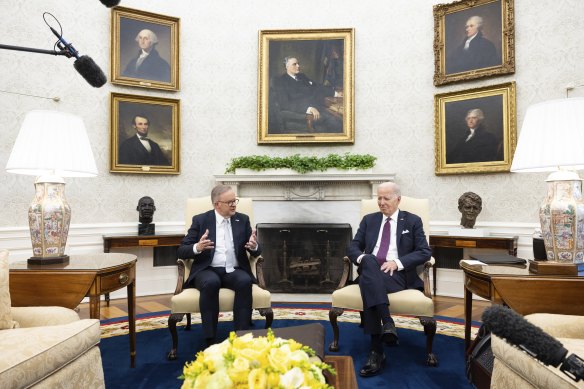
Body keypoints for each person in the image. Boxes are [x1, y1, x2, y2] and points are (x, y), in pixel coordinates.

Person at [347, 182, 432, 377]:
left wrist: (398, 262)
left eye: (386, 198)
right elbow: (353, 247)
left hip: (398, 275)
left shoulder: (412, 221)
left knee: (369, 284)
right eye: (379, 198)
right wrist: (363, 258)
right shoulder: (369, 220)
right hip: (371, 270)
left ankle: (376, 351)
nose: (381, 203)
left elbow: (424, 251)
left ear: (398, 199)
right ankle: (387, 324)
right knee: (368, 262)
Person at [177, 185, 260, 345]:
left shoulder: (242, 220)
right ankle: (210, 338)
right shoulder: (201, 220)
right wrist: (197, 247)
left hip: (233, 270)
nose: (234, 204)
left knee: (244, 281)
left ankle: (242, 337)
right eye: (229, 202)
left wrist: (254, 246)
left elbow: (257, 249)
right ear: (217, 204)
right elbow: (181, 250)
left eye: (234, 201)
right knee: (211, 283)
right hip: (207, 270)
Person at [271, 56, 343, 133]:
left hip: (319, 108)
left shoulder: (302, 76)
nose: (298, 66)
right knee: (336, 124)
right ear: (287, 66)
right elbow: (285, 104)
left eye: (298, 63)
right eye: (294, 64)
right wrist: (308, 108)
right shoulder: (281, 82)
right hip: (303, 115)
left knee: (339, 121)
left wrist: (335, 93)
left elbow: (317, 87)